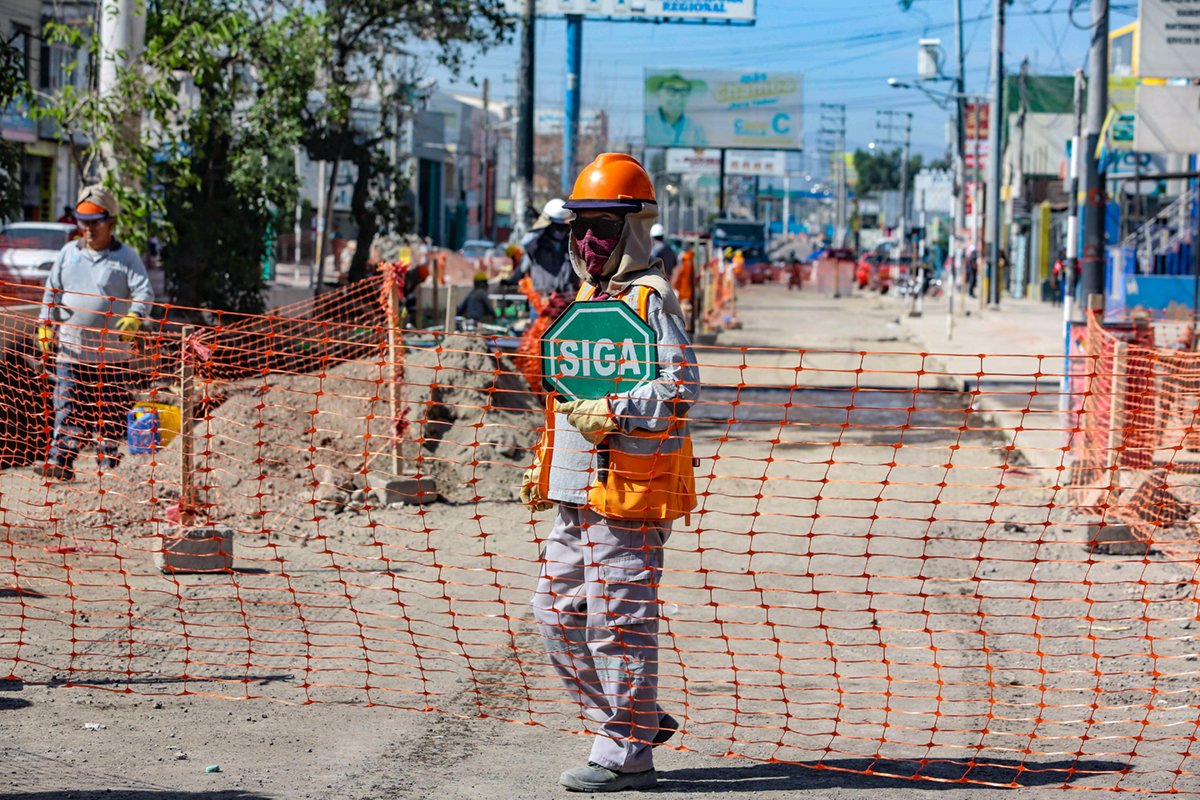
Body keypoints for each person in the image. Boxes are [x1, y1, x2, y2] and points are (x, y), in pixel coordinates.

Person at [521, 153, 699, 793]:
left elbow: (680, 391)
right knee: (554, 614)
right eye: (580, 227)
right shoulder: (590, 297)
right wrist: (546, 465)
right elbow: (570, 397)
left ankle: (626, 755)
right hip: (578, 495)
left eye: (603, 227)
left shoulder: (651, 301)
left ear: (633, 231)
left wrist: (618, 409)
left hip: (629, 496)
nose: (588, 241)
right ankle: (632, 721)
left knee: (617, 627)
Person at [36, 185, 154, 481]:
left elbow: (144, 290)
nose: (87, 229)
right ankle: (60, 462)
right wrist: (44, 325)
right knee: (67, 408)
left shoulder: (126, 257)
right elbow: (52, 292)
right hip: (71, 352)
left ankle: (108, 468)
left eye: (94, 222)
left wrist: (135, 315)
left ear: (110, 222)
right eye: (83, 222)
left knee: (109, 414)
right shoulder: (67, 253)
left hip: (111, 357)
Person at [508, 198, 578, 299]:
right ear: (548, 225)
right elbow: (525, 243)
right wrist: (541, 224)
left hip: (566, 298)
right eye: (557, 227)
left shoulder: (570, 244)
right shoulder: (537, 244)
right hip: (541, 300)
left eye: (564, 227)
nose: (561, 231)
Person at [644, 73, 707, 147]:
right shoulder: (646, 124)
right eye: (671, 91)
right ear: (658, 93)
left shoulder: (696, 128)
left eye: (683, 92)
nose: (677, 97)